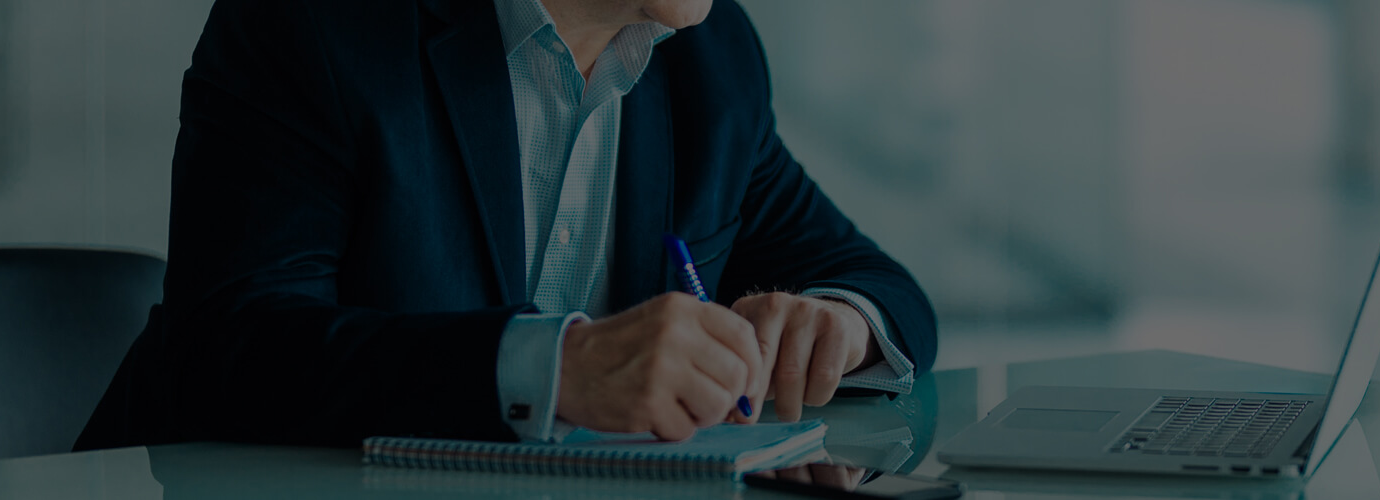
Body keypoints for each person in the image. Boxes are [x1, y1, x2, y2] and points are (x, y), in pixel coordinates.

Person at [75, 0, 935, 449]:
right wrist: (555, 370)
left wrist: (837, 322)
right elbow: (233, 349)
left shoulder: (713, 60)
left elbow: (881, 287)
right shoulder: (313, 24)